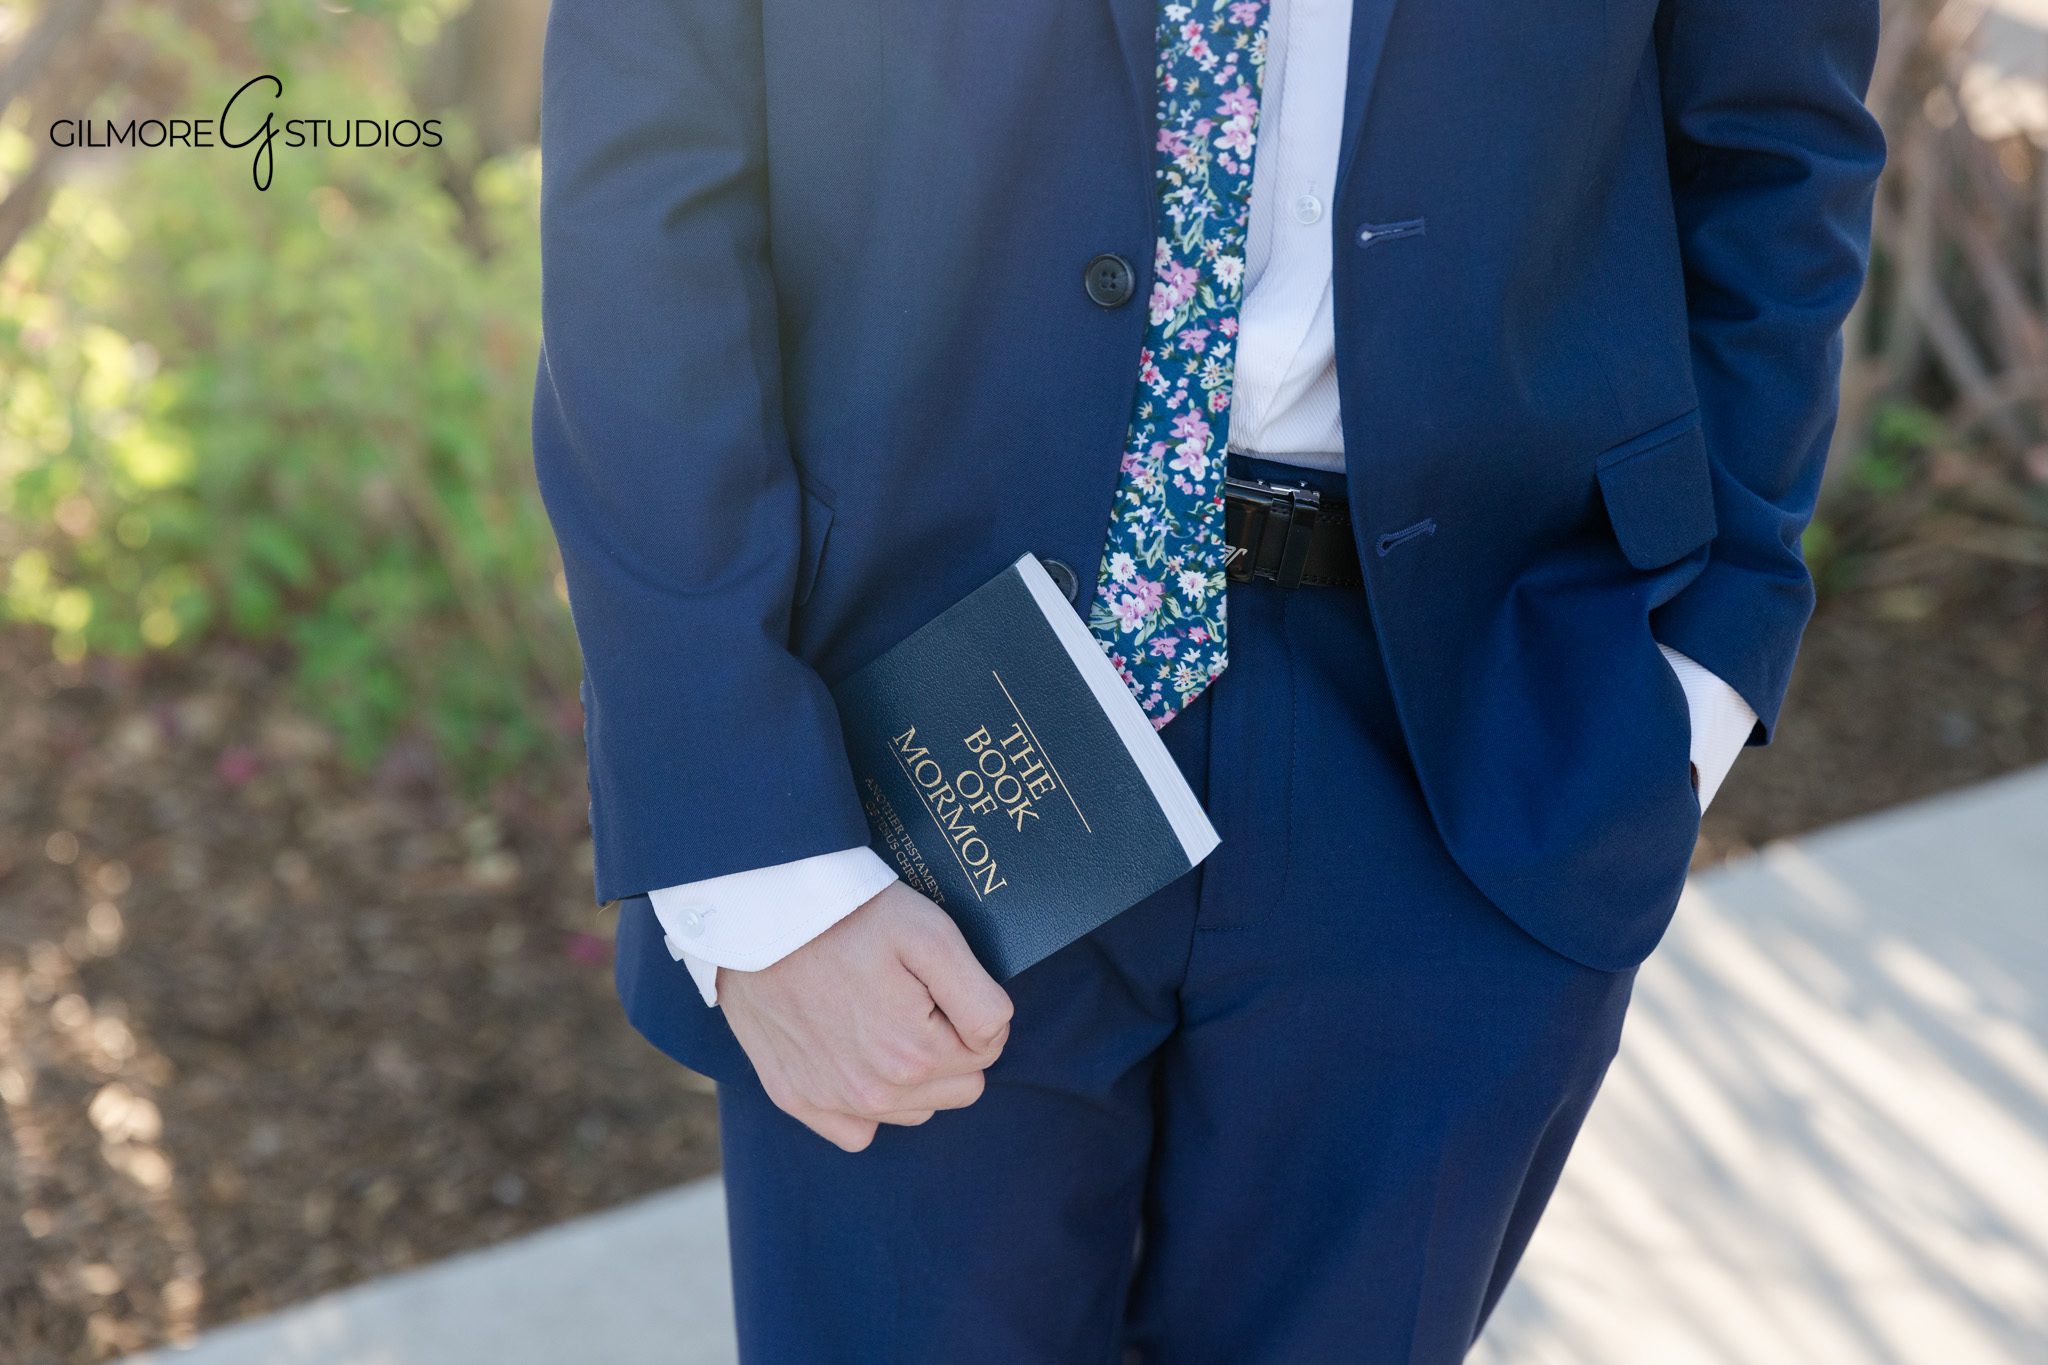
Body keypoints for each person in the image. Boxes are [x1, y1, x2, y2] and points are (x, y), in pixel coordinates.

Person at [532, 0, 1884, 1357]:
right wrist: (760, 870)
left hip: (1467, 744)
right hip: (903, 740)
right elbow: (643, 196)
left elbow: (1777, 148)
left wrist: (1694, 682)